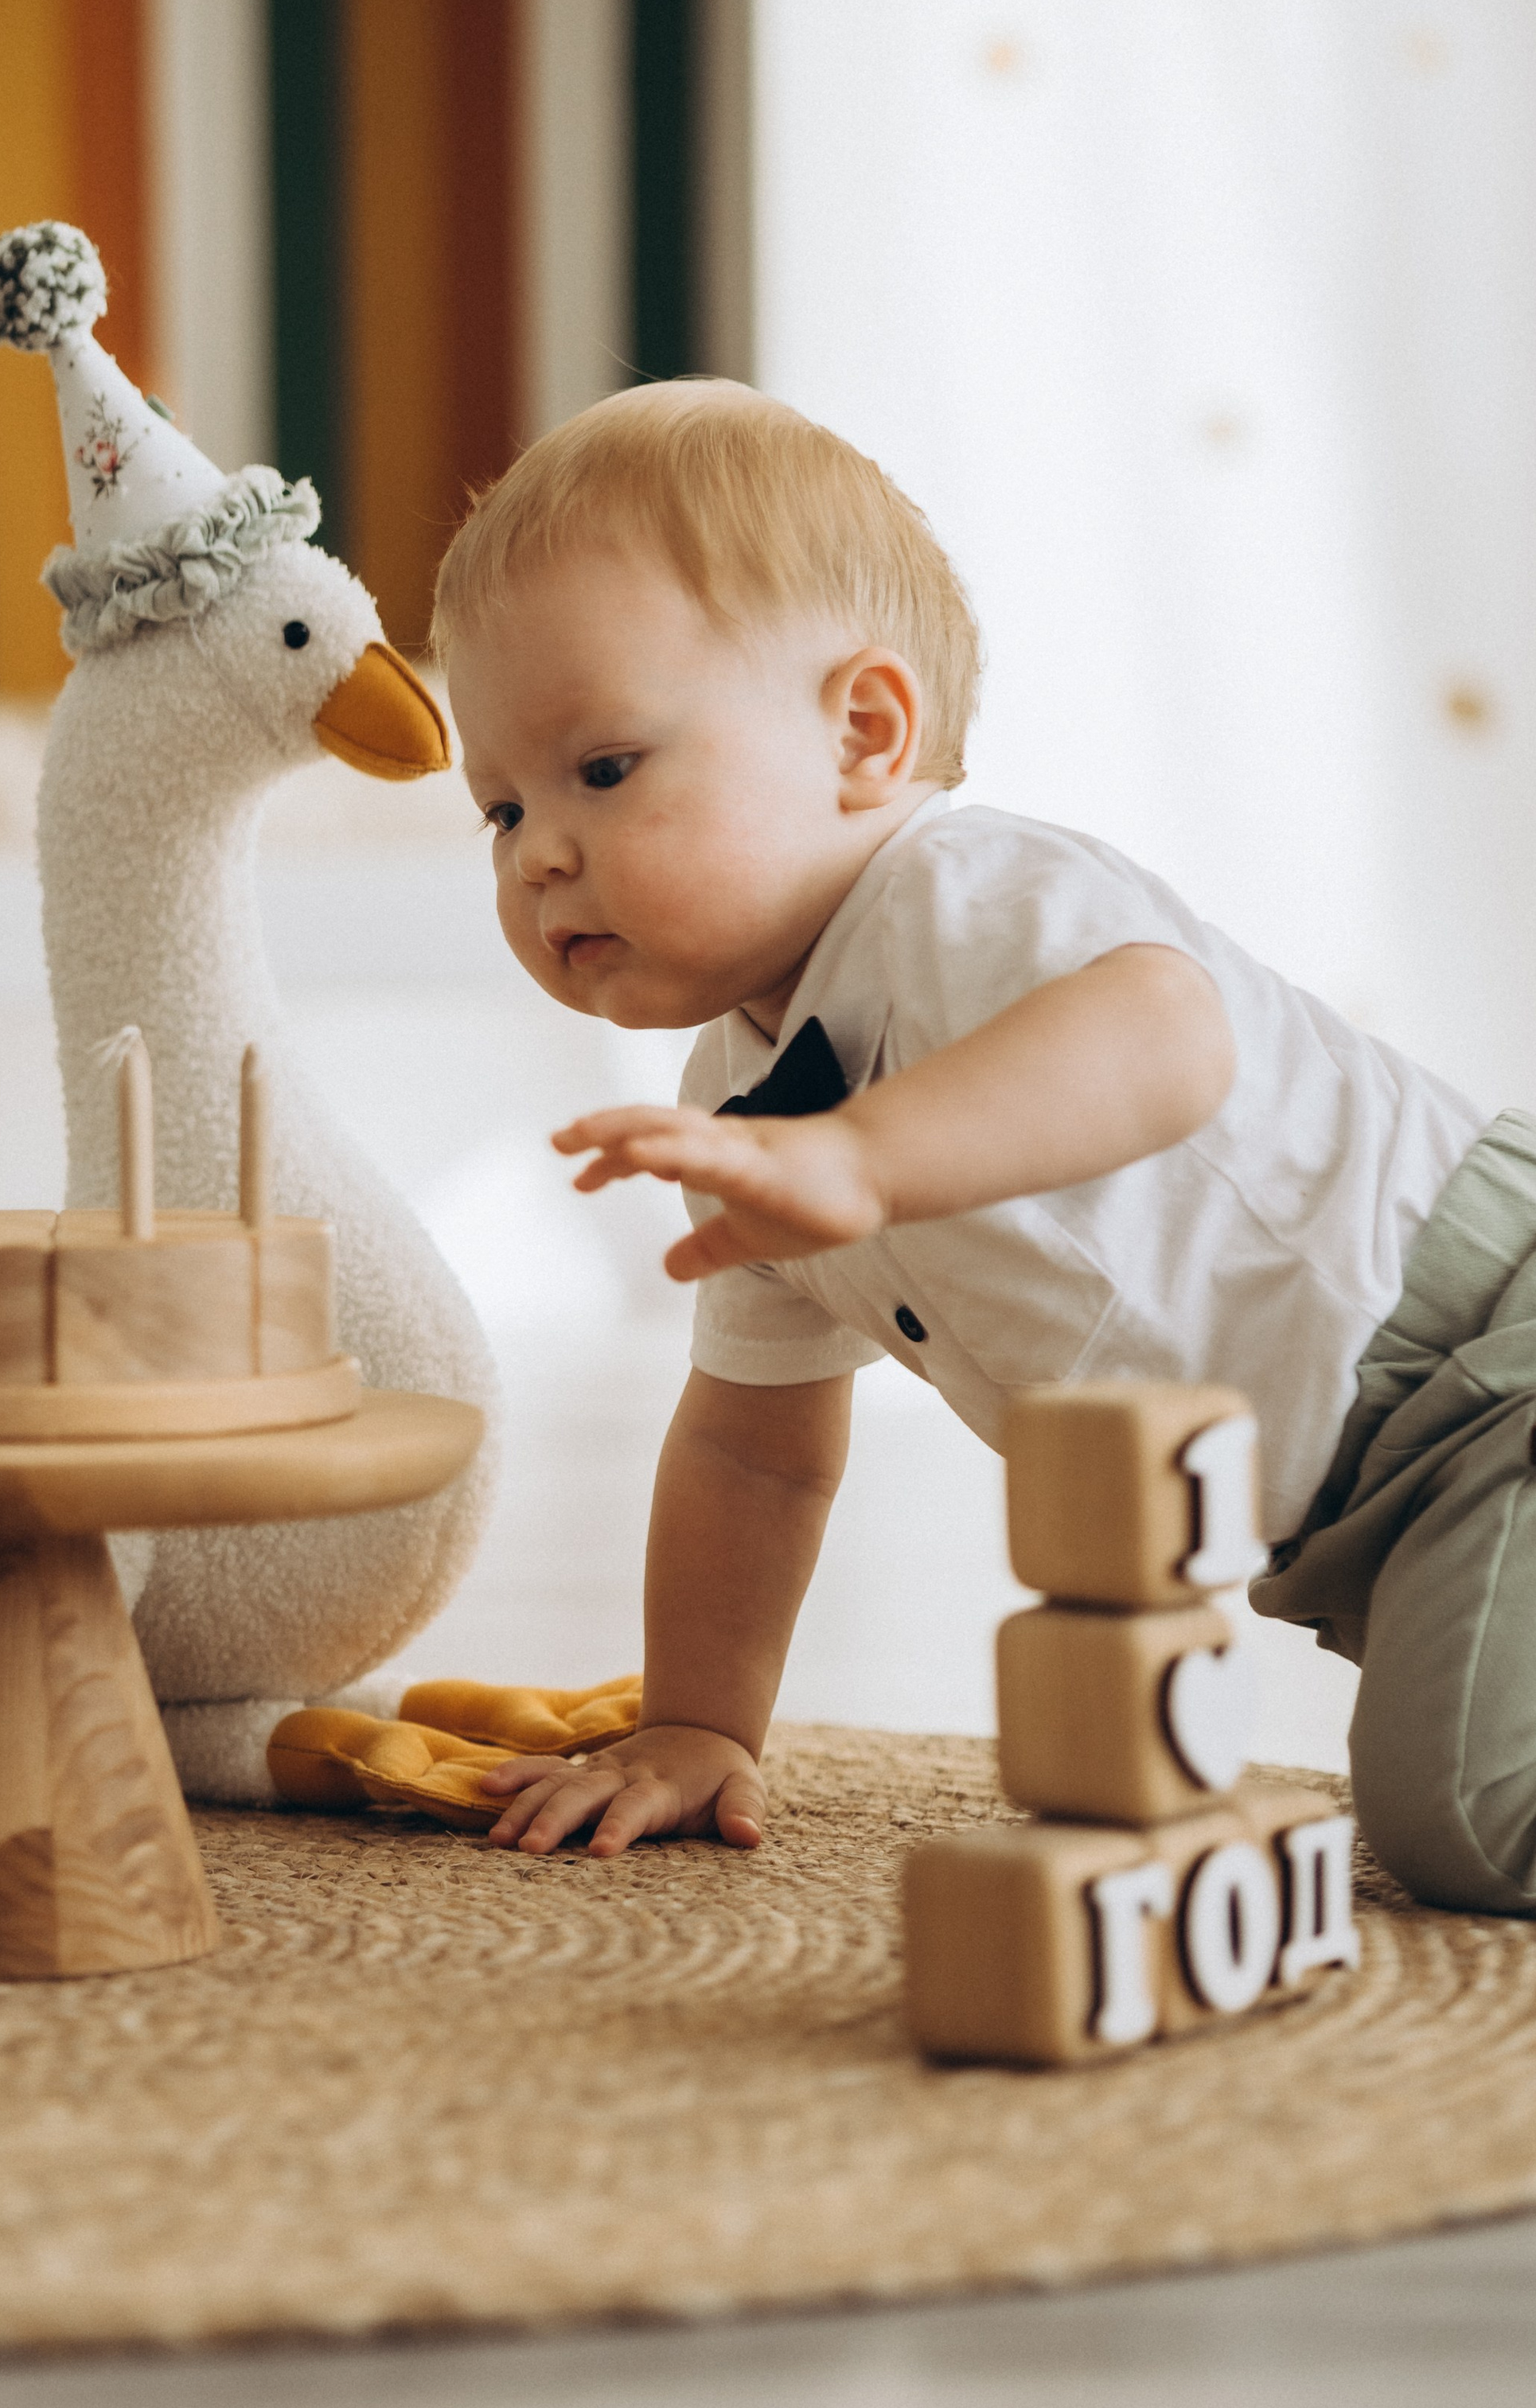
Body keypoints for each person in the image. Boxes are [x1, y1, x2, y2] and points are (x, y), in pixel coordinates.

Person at [433, 378, 1536, 1913]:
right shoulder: (745, 1096)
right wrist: (696, 1720)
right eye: (496, 807)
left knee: (1470, 1818)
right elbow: (754, 1449)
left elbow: (1171, 1033)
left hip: (1493, 1359)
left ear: (864, 734)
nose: (540, 849)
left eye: (602, 768)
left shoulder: (966, 897)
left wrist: (867, 1159)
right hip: (1361, 1515)